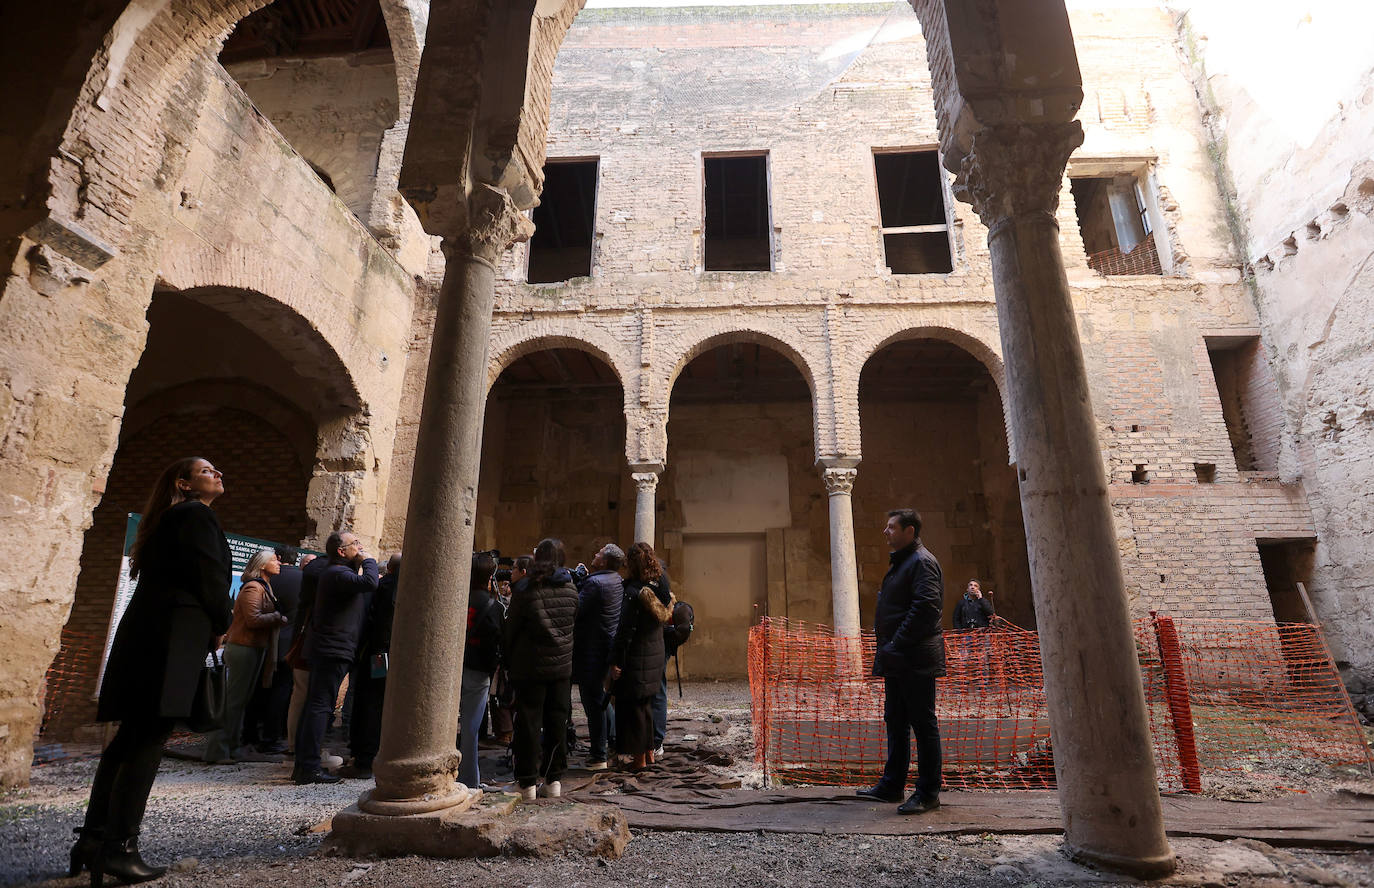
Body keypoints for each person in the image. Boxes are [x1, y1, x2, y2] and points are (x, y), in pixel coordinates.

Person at [74, 457, 231, 886]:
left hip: (149, 632)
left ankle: (92, 840)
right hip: (173, 637)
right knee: (149, 738)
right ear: (183, 483)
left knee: (131, 737)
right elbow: (212, 578)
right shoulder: (196, 515)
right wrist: (221, 624)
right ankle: (120, 849)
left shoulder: (168, 520)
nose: (217, 474)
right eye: (206, 470)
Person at [855, 508, 946, 815]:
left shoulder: (922, 562)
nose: (885, 531)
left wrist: (896, 643)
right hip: (899, 658)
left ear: (909, 531)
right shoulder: (906, 561)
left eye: (892, 527)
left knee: (923, 724)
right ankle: (892, 784)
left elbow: (926, 609)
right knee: (895, 720)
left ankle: (928, 792)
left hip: (913, 658)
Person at [293, 530, 378, 785]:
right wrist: (368, 560)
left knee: (316, 705)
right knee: (320, 706)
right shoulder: (337, 574)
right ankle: (308, 767)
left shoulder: (336, 574)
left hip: (331, 647)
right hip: (333, 649)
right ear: (341, 551)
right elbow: (370, 583)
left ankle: (305, 766)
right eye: (355, 544)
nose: (360, 547)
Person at [502, 538, 577, 800]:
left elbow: (511, 629)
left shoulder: (525, 588)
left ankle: (526, 783)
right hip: (561, 667)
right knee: (557, 722)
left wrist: (509, 661)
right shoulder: (571, 588)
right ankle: (554, 780)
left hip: (530, 667)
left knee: (528, 725)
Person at [204, 548, 286, 763]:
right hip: (243, 648)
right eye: (273, 560)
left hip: (254, 648)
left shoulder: (265, 587)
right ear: (261, 565)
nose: (278, 562)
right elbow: (253, 620)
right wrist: (277, 617)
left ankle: (232, 746)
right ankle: (217, 750)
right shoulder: (253, 588)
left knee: (240, 702)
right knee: (233, 701)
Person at [608, 542, 674, 770]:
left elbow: (625, 630)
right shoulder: (661, 583)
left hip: (636, 657)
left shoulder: (633, 592)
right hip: (655, 652)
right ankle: (650, 752)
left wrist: (616, 660)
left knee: (634, 710)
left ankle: (640, 760)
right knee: (647, 705)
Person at [243, 545, 302, 755]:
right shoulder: (299, 579)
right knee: (280, 690)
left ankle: (248, 734)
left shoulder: (269, 579)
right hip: (286, 641)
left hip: (263, 640)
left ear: (278, 557)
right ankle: (271, 737)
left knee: (256, 689)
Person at [346, 552, 399, 775]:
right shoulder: (401, 588)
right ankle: (373, 752)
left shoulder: (382, 586)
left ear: (389, 569)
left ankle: (363, 753)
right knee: (379, 701)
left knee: (370, 699)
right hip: (387, 654)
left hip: (375, 653)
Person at [573, 543, 624, 770]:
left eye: (599, 554)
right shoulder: (616, 579)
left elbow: (577, 609)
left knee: (592, 702)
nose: (595, 554)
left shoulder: (595, 583)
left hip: (590, 650)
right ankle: (612, 741)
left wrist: (576, 583)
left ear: (604, 562)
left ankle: (598, 755)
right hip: (606, 646)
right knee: (601, 699)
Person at [458, 552, 502, 788]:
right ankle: (468, 779)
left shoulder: (457, 599)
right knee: (470, 728)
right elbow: (496, 639)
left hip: (454, 668)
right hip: (478, 670)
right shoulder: (493, 606)